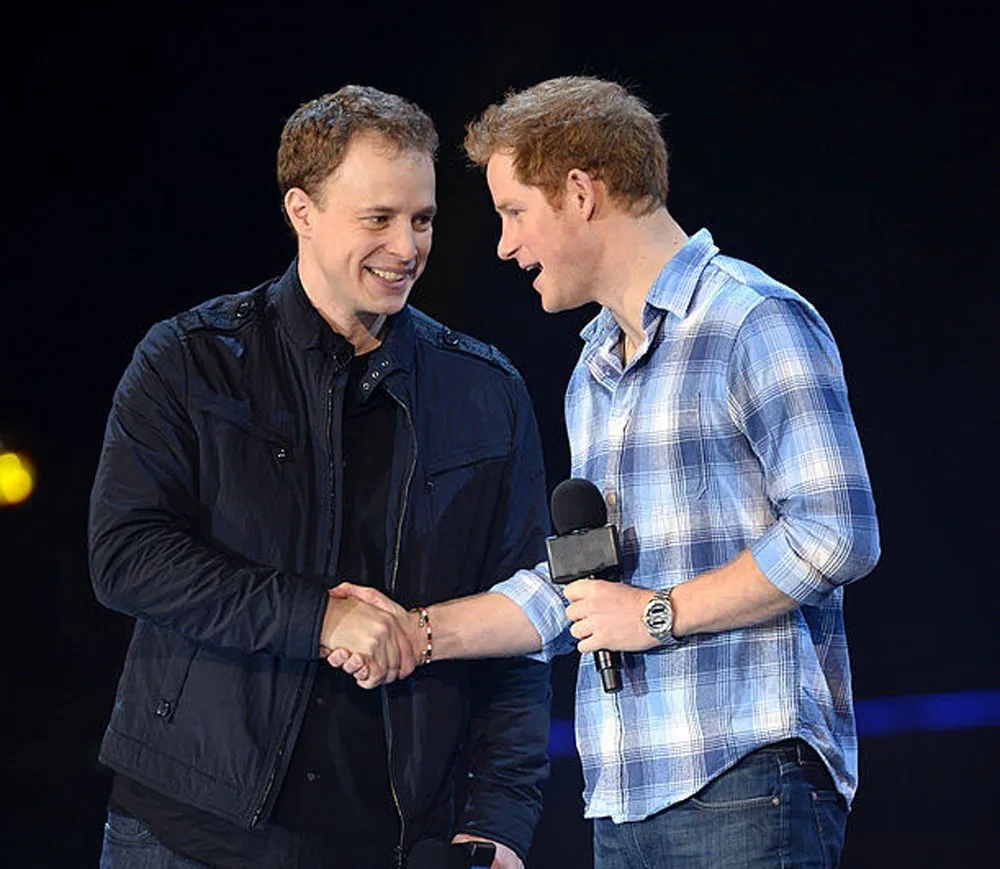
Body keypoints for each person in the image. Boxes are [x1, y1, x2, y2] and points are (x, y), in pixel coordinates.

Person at [332, 77, 880, 868]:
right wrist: (415, 633)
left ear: (581, 193)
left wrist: (657, 612)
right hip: (625, 797)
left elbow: (837, 536)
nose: (504, 245)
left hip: (743, 782)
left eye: (514, 212)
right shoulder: (594, 369)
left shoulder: (750, 320)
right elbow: (582, 595)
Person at [89, 85, 551, 869]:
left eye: (423, 219)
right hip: (190, 833)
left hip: (393, 838)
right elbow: (126, 555)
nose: (406, 247)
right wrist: (317, 617)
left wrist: (501, 818)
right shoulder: (188, 358)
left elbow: (523, 610)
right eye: (379, 218)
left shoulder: (485, 388)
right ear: (301, 210)